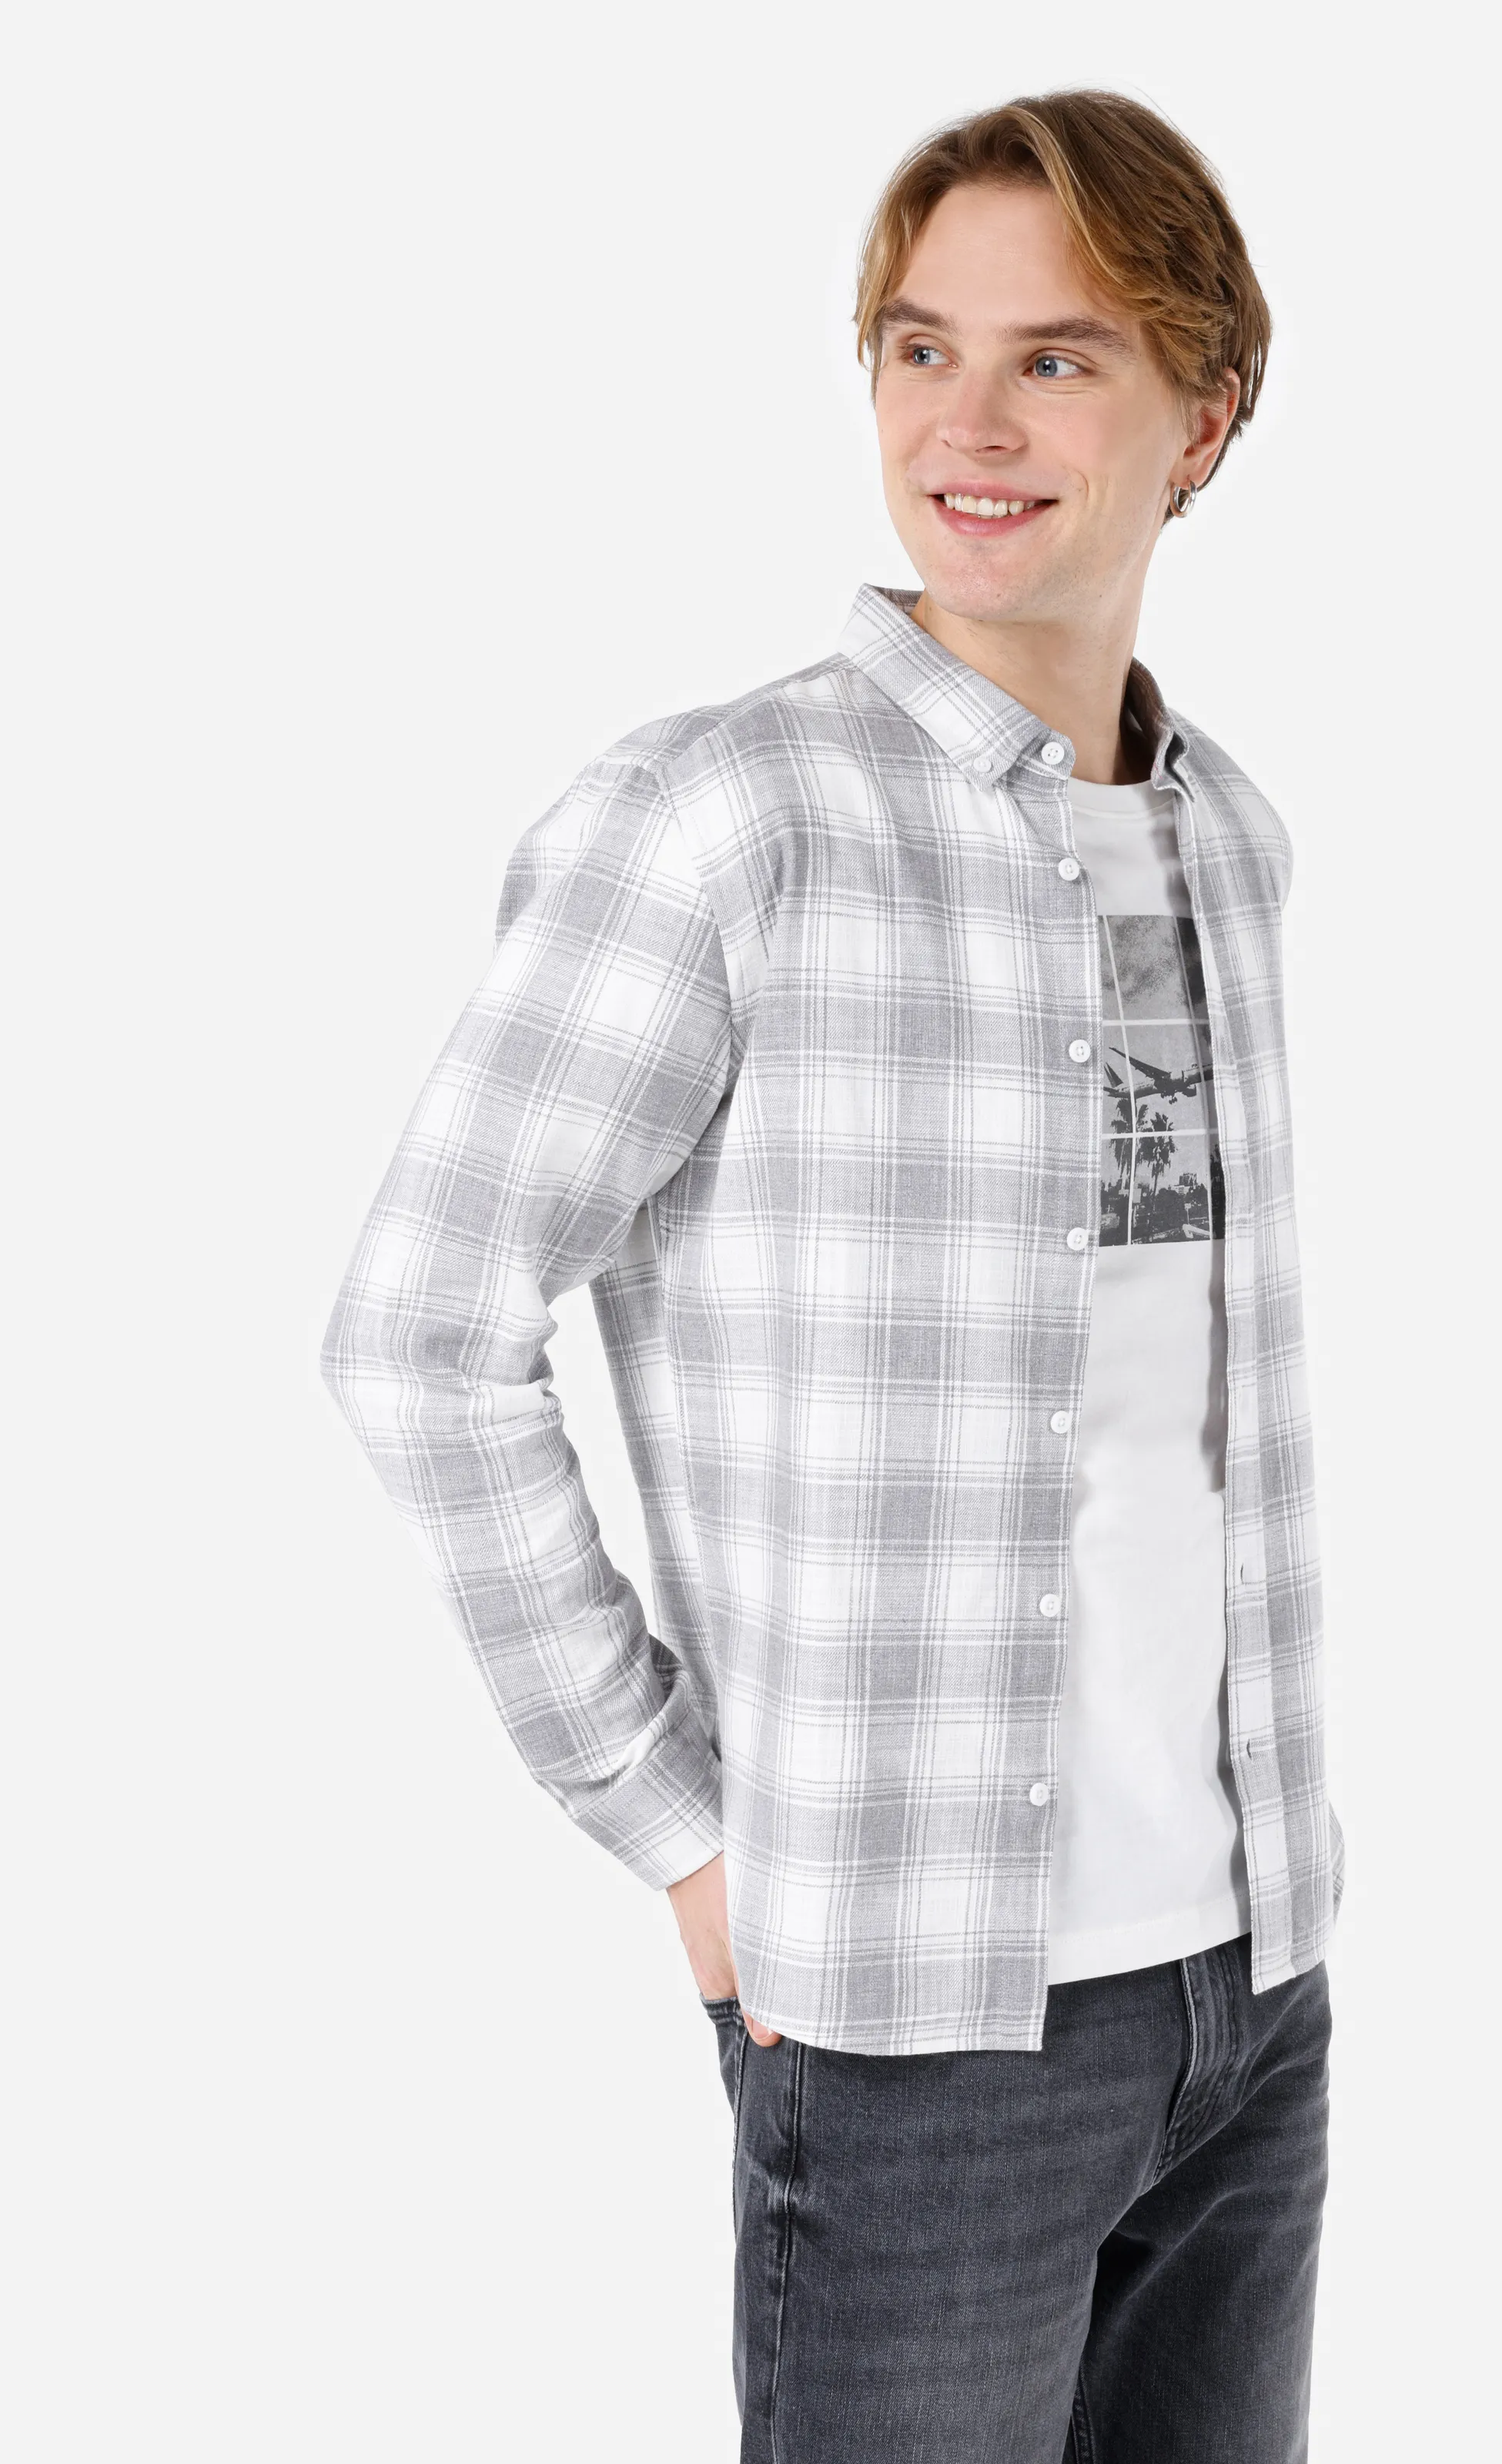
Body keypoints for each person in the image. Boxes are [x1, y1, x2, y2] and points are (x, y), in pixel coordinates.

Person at [322, 85, 1343, 2464]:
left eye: (1057, 359)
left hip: (1256, 1992)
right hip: (907, 2025)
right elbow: (420, 1333)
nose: (966, 425)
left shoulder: (1232, 841)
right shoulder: (723, 824)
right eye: (919, 349)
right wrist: (674, 1826)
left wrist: (1267, 1945)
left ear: (1203, 418)